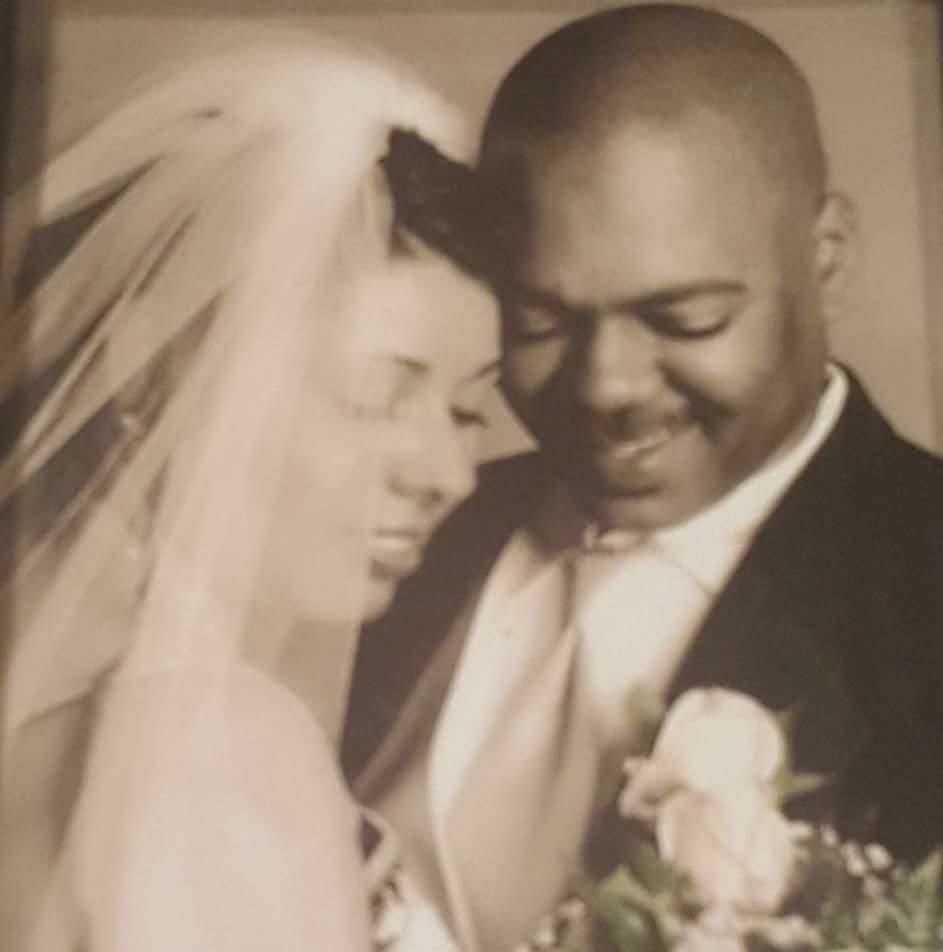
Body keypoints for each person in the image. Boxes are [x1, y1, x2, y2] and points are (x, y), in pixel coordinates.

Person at [344, 5, 943, 950]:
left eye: (684, 319)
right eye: (540, 320)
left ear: (825, 262)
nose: (604, 387)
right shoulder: (392, 533)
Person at [0, 37, 500, 952]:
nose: (447, 471)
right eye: (376, 396)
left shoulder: (46, 714)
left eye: (470, 409)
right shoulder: (222, 742)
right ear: (150, 382)